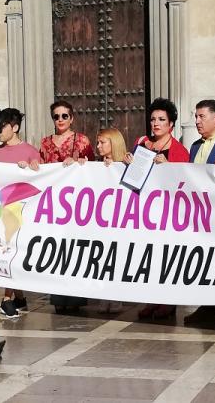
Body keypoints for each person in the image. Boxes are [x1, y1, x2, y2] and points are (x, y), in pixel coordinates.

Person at [126, 98, 189, 320]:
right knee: (148, 256)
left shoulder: (179, 150)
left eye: (161, 119)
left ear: (171, 124)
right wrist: (128, 161)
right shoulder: (142, 144)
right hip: (144, 210)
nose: (156, 123)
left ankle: (168, 302)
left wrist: (169, 167)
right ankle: (151, 299)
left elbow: (185, 180)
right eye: (153, 119)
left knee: (166, 256)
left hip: (168, 212)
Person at [33, 101, 94, 313]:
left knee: (76, 249)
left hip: (77, 203)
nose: (60, 120)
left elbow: (93, 169)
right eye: (56, 116)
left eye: (64, 116)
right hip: (54, 204)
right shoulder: (45, 142)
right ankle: (58, 298)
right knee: (57, 249)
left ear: (72, 118)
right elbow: (41, 168)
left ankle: (76, 298)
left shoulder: (82, 141)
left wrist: (80, 163)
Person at [0, 108, 41, 318]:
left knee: (12, 248)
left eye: (2, 125)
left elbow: (41, 179)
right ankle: (18, 297)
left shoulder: (31, 151)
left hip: (24, 210)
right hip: (1, 209)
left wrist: (33, 168)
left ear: (14, 128)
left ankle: (7, 299)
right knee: (6, 249)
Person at [182, 100, 215, 329]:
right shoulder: (194, 146)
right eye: (196, 116)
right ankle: (205, 308)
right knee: (204, 261)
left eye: (202, 117)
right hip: (199, 215)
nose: (197, 121)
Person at [94, 128, 127, 313]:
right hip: (102, 218)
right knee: (103, 256)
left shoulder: (125, 163)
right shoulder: (96, 165)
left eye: (102, 142)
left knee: (118, 256)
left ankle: (116, 297)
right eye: (98, 142)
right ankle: (103, 296)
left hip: (120, 218)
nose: (98, 146)